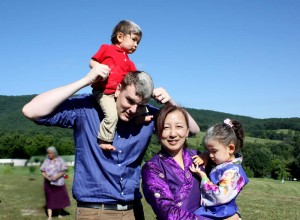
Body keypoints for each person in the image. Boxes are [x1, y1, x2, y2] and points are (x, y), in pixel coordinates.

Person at [22, 63, 200, 220]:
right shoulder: (87, 109)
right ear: (118, 89)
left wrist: (170, 103)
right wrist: (85, 81)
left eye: (140, 105)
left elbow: (192, 130)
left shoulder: (147, 116)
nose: (133, 109)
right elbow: (31, 110)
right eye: (129, 101)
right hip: (94, 211)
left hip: (134, 211)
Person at [141, 104, 240, 220]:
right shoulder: (152, 168)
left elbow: (225, 182)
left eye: (179, 126)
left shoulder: (200, 157)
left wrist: (231, 214)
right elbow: (168, 213)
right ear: (157, 132)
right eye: (166, 127)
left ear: (187, 131)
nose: (173, 134)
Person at [90, 20, 144, 151]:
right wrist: (98, 67)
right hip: (105, 92)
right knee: (112, 115)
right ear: (120, 37)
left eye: (138, 42)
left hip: (119, 95)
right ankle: (104, 140)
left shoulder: (129, 63)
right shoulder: (106, 49)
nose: (136, 45)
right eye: (134, 39)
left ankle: (140, 117)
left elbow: (135, 78)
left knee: (138, 103)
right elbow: (92, 61)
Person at [189, 119, 249, 219]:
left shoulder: (233, 172)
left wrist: (203, 177)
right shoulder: (225, 163)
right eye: (208, 150)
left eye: (214, 151)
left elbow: (220, 196)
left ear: (230, 148)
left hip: (221, 214)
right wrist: (205, 155)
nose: (211, 155)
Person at [40, 146, 71, 220]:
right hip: (48, 184)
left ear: (54, 153)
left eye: (51, 153)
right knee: (50, 199)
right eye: (48, 153)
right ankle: (50, 216)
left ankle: (59, 213)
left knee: (59, 198)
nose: (49, 154)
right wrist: (47, 177)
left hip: (59, 183)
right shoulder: (46, 161)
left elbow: (64, 171)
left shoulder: (60, 160)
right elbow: (42, 171)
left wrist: (56, 177)